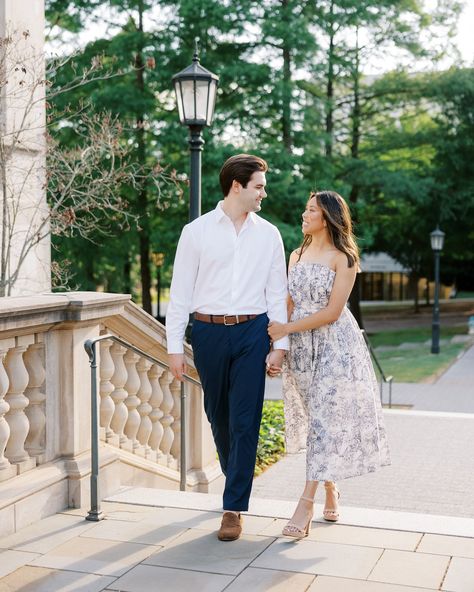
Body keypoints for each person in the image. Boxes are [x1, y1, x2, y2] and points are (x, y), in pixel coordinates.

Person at [166, 154, 288, 541]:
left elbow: (277, 293)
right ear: (237, 186)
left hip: (253, 333)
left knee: (244, 420)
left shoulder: (269, 234)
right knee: (218, 417)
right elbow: (180, 294)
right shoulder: (196, 232)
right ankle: (233, 484)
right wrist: (174, 348)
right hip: (208, 334)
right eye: (259, 186)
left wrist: (279, 345)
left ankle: (233, 507)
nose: (263, 194)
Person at [268, 190, 391, 538]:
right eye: (305, 208)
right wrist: (279, 348)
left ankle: (304, 505)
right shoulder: (297, 253)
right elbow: (287, 303)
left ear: (327, 218)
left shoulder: (344, 258)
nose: (304, 215)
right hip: (302, 351)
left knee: (323, 422)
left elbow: (333, 313)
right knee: (314, 420)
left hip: (336, 347)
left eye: (310, 210)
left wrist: (286, 329)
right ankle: (330, 488)